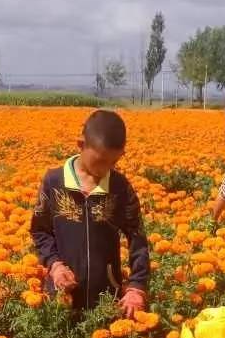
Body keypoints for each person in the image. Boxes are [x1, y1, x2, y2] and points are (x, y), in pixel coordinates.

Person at [30, 109, 150, 315]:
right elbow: (40, 231)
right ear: (81, 144)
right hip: (61, 296)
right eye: (100, 161)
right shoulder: (54, 182)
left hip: (106, 301)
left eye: (113, 162)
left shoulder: (120, 187)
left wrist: (136, 287)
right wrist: (54, 265)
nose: (106, 169)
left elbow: (137, 238)